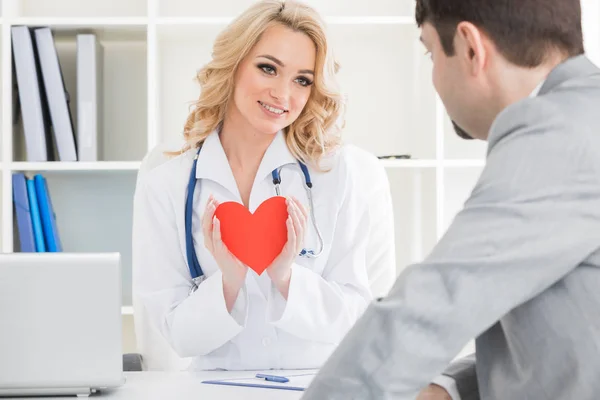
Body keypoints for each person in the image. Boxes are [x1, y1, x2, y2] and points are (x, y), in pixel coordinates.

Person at [301, 0, 600, 399]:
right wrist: (450, 387)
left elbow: (432, 305)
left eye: (430, 53)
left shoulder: (558, 134)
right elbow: (573, 346)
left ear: (470, 47)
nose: (435, 79)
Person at [131, 0, 395, 371]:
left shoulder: (342, 173)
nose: (283, 94)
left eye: (302, 79)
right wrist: (229, 282)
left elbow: (361, 318)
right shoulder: (167, 178)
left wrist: (286, 278)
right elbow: (175, 334)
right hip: (214, 393)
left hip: (316, 389)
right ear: (234, 65)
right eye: (268, 69)